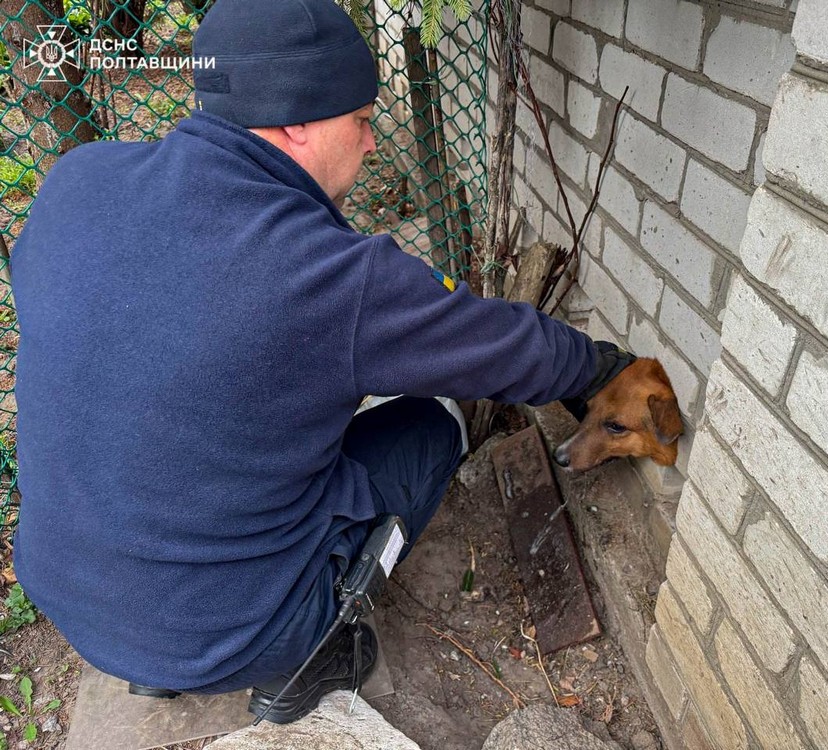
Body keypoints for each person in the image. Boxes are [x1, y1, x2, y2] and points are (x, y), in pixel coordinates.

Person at [10, 0, 633, 725]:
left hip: (66, 592)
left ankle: (156, 658)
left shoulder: (77, 181)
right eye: (363, 121)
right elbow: (506, 348)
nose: (372, 144)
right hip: (231, 634)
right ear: (297, 123)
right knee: (436, 423)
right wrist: (602, 370)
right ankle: (308, 656)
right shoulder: (330, 275)